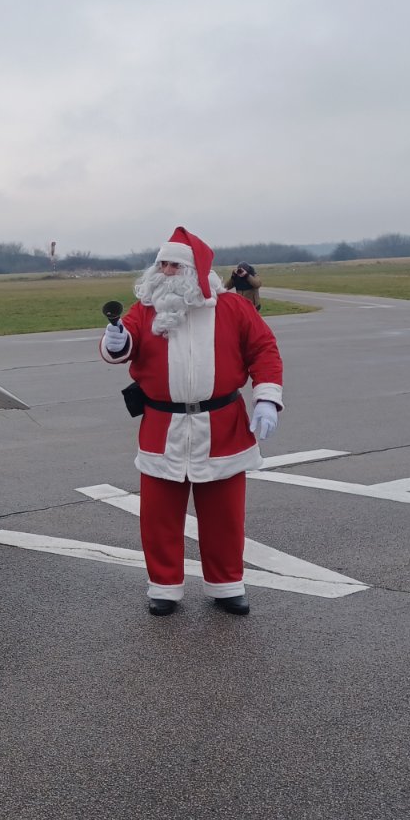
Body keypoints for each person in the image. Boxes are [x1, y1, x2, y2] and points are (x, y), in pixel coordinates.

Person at [100, 227, 283, 616]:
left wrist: (266, 399)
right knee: (158, 516)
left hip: (222, 424)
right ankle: (164, 588)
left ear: (194, 270)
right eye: (161, 263)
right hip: (162, 427)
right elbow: (124, 342)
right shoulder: (146, 310)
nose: (165, 271)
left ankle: (227, 585)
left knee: (224, 515)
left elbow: (264, 350)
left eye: (173, 264)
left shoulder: (233, 309)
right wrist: (115, 341)